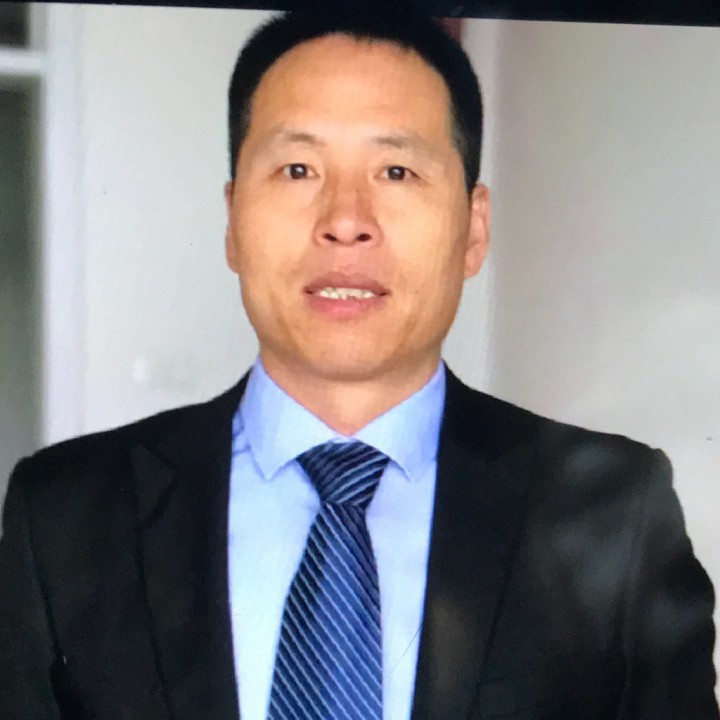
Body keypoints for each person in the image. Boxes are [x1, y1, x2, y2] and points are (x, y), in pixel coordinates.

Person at [0, 3, 717, 719]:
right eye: (298, 169)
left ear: (473, 230)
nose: (345, 220)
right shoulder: (62, 515)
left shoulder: (615, 511)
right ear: (233, 220)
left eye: (396, 171)